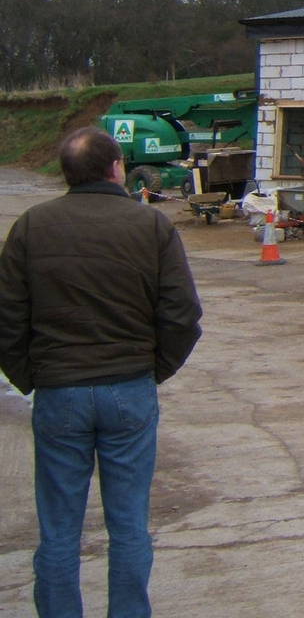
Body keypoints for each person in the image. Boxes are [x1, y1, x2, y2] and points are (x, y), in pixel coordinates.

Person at [0, 126, 203, 618]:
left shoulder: (31, 226)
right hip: (128, 389)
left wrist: (32, 376)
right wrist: (150, 371)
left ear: (66, 174)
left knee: (60, 530)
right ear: (116, 169)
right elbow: (181, 316)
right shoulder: (151, 226)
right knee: (129, 525)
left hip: (59, 391)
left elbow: (8, 319)